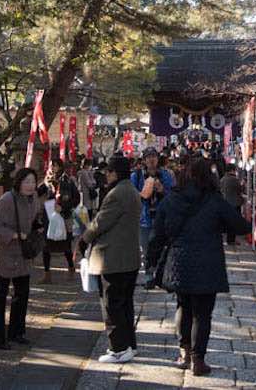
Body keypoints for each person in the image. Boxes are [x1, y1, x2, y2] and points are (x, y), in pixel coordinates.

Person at [146, 155, 250, 375]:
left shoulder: (171, 199)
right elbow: (240, 226)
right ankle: (198, 360)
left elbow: (158, 233)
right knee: (202, 314)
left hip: (179, 262)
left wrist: (151, 262)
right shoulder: (215, 200)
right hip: (208, 262)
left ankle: (184, 352)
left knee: (183, 306)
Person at [77, 154, 142, 364]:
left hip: (113, 258)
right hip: (128, 258)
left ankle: (119, 348)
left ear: (114, 172)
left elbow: (100, 223)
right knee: (125, 305)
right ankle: (129, 345)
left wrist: (83, 239)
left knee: (112, 305)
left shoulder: (117, 194)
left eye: (108, 172)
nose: (105, 175)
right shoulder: (130, 190)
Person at [0, 167, 45, 349]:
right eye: (26, 182)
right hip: (2, 255)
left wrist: (37, 228)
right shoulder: (7, 200)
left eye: (33, 182)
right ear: (18, 182)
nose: (30, 186)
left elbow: (34, 219)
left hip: (23, 255)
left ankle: (17, 332)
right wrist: (14, 235)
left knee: (22, 295)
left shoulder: (33, 200)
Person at [130, 147, 175, 278]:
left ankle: (159, 274)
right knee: (146, 248)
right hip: (144, 218)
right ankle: (149, 275)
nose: (151, 159)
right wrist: (143, 193)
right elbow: (132, 195)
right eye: (148, 157)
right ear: (144, 160)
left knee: (160, 246)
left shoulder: (166, 175)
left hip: (161, 218)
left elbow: (173, 196)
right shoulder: (137, 175)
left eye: (154, 156)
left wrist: (162, 190)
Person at [40, 165, 80, 283]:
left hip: (64, 217)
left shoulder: (68, 181)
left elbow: (76, 199)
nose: (53, 169)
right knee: (46, 246)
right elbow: (37, 193)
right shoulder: (46, 182)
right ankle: (47, 274)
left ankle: (71, 268)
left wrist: (63, 207)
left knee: (66, 246)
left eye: (56, 166)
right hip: (49, 217)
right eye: (52, 166)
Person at [219, 165, 244, 245]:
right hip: (234, 204)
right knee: (233, 222)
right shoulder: (234, 180)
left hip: (225, 202)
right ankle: (231, 240)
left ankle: (228, 239)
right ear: (232, 170)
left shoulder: (222, 179)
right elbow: (240, 190)